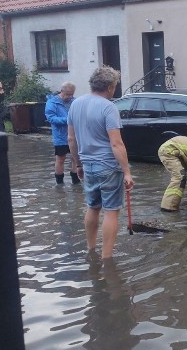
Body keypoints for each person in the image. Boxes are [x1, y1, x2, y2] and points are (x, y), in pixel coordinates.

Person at [68, 66, 134, 259]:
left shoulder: (75, 104)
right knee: (111, 212)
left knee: (93, 207)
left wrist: (78, 164)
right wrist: (127, 172)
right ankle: (107, 259)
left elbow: (71, 140)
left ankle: (91, 250)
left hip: (87, 165)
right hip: (108, 166)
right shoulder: (108, 107)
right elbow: (116, 143)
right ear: (110, 87)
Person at [45, 81, 79, 185]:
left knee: (75, 157)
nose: (70, 96)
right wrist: (68, 120)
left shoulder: (75, 101)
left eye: (72, 94)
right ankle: (59, 184)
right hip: (60, 136)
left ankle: (76, 181)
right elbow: (51, 118)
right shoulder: (52, 102)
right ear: (62, 91)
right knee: (60, 158)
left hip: (74, 135)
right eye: (68, 94)